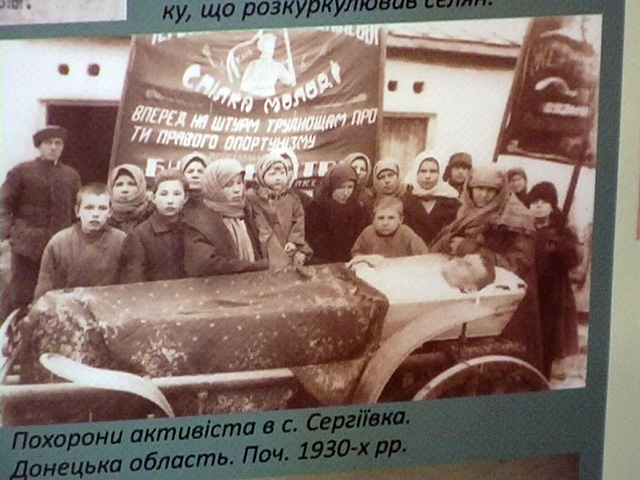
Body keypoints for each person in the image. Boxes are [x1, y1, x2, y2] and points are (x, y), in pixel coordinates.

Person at [431, 165, 543, 370]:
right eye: (478, 188)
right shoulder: (468, 211)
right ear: (469, 188)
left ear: (501, 191)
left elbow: (518, 263)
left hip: (508, 299)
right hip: (472, 293)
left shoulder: (517, 218)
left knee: (502, 365)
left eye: (490, 190)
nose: (483, 195)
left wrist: (471, 249)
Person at [0, 126, 81, 318]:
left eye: (58, 143)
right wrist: (9, 234)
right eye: (48, 143)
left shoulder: (71, 176)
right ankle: (14, 330)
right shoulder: (21, 172)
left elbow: (77, 210)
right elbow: (3, 205)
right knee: (21, 295)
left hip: (59, 247)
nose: (53, 147)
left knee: (56, 295)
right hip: (26, 248)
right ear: (39, 146)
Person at [527, 181, 581, 378]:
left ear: (552, 206)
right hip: (530, 290)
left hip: (554, 294)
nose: (539, 206)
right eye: (534, 202)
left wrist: (559, 248)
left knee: (548, 339)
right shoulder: (524, 227)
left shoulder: (562, 231)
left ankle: (543, 377)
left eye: (544, 202)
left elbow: (575, 259)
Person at [34, 183, 126, 299]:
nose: (95, 214)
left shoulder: (122, 241)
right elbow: (44, 291)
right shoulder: (59, 243)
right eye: (89, 208)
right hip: (66, 305)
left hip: (108, 304)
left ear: (110, 212)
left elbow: (128, 288)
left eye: (102, 208)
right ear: (77, 211)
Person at [183, 159, 268, 276]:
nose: (237, 190)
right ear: (214, 188)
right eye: (228, 185)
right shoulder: (199, 221)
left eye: (239, 182)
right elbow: (205, 264)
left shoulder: (247, 213)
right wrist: (255, 267)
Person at [119, 169, 189, 283]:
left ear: (185, 198)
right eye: (163, 194)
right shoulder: (139, 235)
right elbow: (134, 280)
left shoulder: (191, 229)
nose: (170, 200)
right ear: (153, 197)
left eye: (177, 194)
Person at [247, 151, 312, 271]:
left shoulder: (292, 198)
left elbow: (298, 220)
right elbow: (262, 228)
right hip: (266, 249)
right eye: (272, 174)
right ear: (261, 176)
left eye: (282, 173)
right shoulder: (255, 199)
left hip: (288, 245)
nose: (278, 178)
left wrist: (294, 241)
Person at [306, 163, 369, 264]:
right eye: (340, 187)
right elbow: (314, 242)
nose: (346, 192)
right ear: (330, 186)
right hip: (323, 262)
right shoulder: (316, 208)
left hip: (353, 261)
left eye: (350, 187)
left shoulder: (359, 209)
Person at [402, 151, 460, 245]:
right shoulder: (405, 201)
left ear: (440, 173)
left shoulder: (452, 202)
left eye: (433, 171)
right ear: (416, 172)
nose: (427, 176)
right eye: (423, 171)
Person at [350, 196, 428, 265]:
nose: (385, 223)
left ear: (400, 219)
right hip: (375, 271)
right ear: (373, 219)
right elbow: (356, 253)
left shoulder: (406, 233)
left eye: (391, 218)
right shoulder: (368, 233)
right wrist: (366, 260)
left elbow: (424, 255)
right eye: (381, 218)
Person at [107, 164, 154, 234]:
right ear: (111, 188)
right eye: (119, 184)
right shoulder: (103, 212)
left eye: (131, 184)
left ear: (141, 187)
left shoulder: (153, 214)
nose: (124, 190)